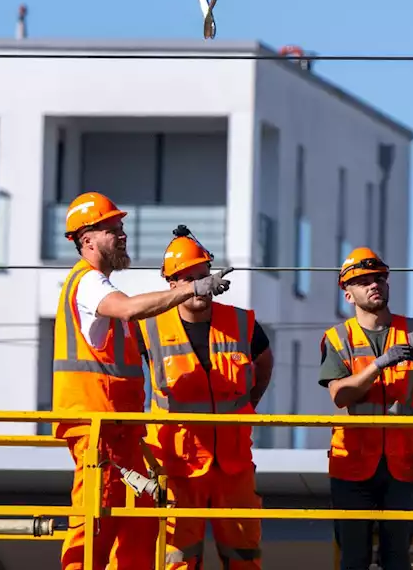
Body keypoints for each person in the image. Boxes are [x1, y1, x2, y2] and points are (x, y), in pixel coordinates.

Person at [53, 191, 231, 570]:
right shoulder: (88, 284)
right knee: (94, 529)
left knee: (138, 524)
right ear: (87, 240)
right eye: (112, 229)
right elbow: (130, 309)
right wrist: (192, 287)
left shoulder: (95, 285)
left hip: (121, 434)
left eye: (121, 227)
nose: (122, 235)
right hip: (97, 434)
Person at [139, 225, 272, 569]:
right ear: (172, 285)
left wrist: (248, 404)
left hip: (234, 465)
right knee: (177, 561)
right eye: (188, 278)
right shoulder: (147, 327)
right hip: (176, 467)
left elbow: (264, 360)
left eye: (203, 275)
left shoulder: (241, 323)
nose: (199, 285)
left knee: (244, 558)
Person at [318, 248, 413, 570]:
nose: (373, 284)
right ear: (348, 294)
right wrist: (379, 364)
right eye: (362, 281)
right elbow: (340, 396)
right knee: (353, 558)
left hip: (404, 463)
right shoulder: (337, 339)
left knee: (397, 557)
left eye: (378, 278)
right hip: (352, 464)